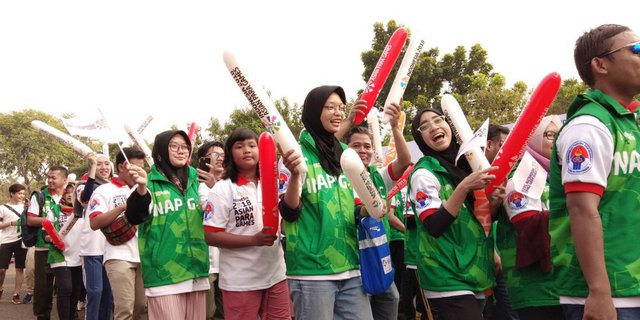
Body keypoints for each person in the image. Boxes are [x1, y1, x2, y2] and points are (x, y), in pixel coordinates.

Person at [549, 24, 640, 320]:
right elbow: (582, 209)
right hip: (607, 296)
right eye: (636, 50)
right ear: (600, 65)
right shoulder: (588, 126)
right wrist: (599, 293)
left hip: (630, 286)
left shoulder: (627, 123)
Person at [279, 85, 373, 320]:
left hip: (351, 267)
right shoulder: (295, 156)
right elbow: (289, 213)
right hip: (313, 272)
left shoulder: (345, 154)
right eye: (330, 107)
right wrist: (294, 176)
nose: (338, 113)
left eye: (341, 107)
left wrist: (370, 208)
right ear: (313, 111)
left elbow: (354, 206)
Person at [407, 108, 497, 320]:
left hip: (475, 269)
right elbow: (434, 226)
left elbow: (478, 218)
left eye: (438, 120)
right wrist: (463, 187)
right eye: (425, 126)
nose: (434, 127)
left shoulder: (465, 166)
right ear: (420, 138)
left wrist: (495, 202)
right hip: (445, 275)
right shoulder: (423, 174)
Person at [203, 128, 290, 319]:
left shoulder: (273, 183)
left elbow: (283, 224)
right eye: (239, 146)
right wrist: (253, 240)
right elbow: (210, 235)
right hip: (240, 281)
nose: (247, 150)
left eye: (252, 145)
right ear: (230, 154)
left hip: (276, 275)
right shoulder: (223, 189)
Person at [125, 130, 210, 320]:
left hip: (197, 272)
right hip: (164, 276)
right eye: (174, 146)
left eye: (185, 147)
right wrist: (141, 189)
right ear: (161, 150)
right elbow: (134, 217)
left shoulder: (198, 181)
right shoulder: (148, 183)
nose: (181, 151)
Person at [341, 101, 412, 320]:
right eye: (356, 146)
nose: (363, 150)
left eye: (367, 146)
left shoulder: (378, 177)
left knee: (391, 300)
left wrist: (394, 127)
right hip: (352, 262)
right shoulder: (338, 178)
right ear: (345, 149)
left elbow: (405, 161)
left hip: (380, 258)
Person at [494, 117, 564, 320]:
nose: (555, 140)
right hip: (535, 288)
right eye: (549, 135)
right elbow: (528, 225)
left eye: (559, 134)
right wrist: (579, 212)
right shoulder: (521, 174)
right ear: (533, 139)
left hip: (567, 282)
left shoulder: (561, 174)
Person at [89, 148, 147, 320]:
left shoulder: (145, 189)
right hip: (118, 256)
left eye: (141, 168)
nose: (139, 172)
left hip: (144, 256)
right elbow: (94, 222)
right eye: (135, 167)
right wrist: (122, 207)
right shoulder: (104, 190)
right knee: (124, 310)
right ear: (122, 167)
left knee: (142, 309)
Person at [27, 165, 67, 320]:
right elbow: (30, 219)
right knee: (43, 289)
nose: (50, 180)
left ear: (64, 180)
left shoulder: (71, 195)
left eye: (54, 177)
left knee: (67, 288)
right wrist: (49, 221)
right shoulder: (39, 196)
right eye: (49, 177)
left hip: (67, 250)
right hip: (44, 249)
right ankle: (43, 316)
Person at [78, 152, 114, 320]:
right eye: (99, 164)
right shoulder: (84, 186)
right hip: (93, 248)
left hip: (112, 248)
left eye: (107, 164)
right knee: (95, 292)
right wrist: (92, 166)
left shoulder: (117, 188)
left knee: (108, 294)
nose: (103, 167)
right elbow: (86, 197)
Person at [195, 141, 225, 320]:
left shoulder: (231, 184)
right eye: (215, 155)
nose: (220, 158)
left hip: (229, 263)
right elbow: (210, 212)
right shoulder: (199, 187)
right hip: (208, 264)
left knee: (227, 313)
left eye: (222, 155)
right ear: (204, 160)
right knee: (208, 314)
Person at [0, 183, 28, 304]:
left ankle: (16, 294)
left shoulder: (26, 207)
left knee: (20, 268)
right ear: (12, 193)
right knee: (2, 269)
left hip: (21, 240)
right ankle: (0, 288)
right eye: (19, 193)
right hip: (6, 240)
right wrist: (11, 223)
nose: (21, 195)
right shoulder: (3, 208)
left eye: (23, 193)